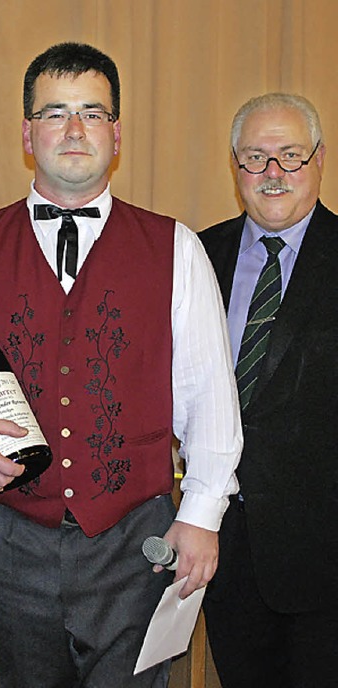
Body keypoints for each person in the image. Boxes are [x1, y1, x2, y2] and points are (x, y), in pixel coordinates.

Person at [0, 42, 241, 687]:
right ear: (28, 134)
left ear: (116, 132)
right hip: (13, 536)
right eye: (55, 113)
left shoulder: (176, 248)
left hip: (136, 540)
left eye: (92, 112)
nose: (74, 129)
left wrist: (200, 517)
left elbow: (210, 397)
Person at [199, 93, 338, 688]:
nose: (273, 174)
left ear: (320, 161)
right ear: (235, 166)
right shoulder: (198, 255)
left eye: (290, 156)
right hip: (224, 550)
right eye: (256, 158)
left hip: (325, 559)